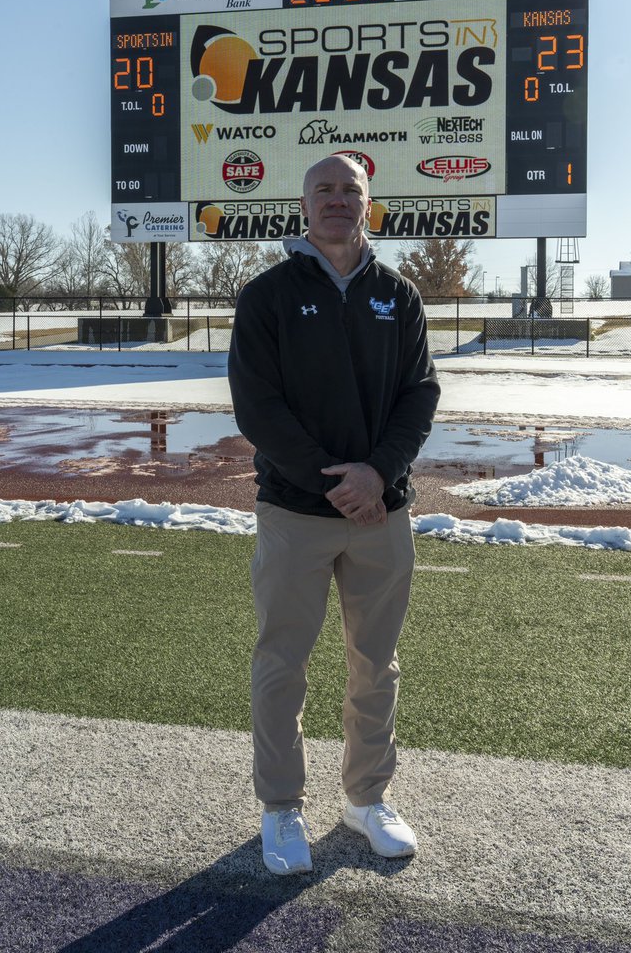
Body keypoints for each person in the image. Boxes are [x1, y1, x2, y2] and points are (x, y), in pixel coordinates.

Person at [227, 152, 440, 875]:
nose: (338, 200)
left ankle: (365, 799)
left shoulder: (399, 294)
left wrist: (377, 474)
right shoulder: (267, 296)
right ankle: (281, 806)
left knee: (375, 664)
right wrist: (335, 484)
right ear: (304, 204)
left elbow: (420, 394)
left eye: (351, 190)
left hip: (383, 512)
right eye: (324, 190)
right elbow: (260, 408)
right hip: (296, 510)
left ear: (368, 204)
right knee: (282, 663)